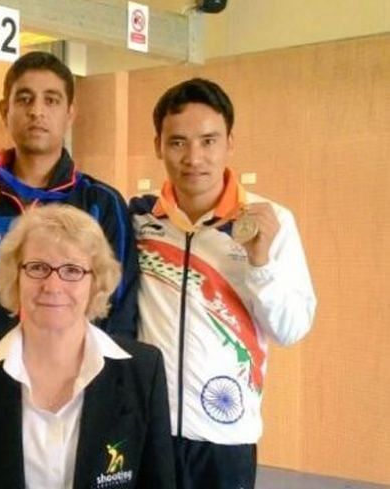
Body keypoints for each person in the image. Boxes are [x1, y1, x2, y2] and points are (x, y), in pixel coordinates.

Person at [129, 78, 317, 488]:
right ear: (158, 145)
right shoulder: (139, 219)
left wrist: (260, 261)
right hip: (150, 431)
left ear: (230, 142)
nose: (194, 157)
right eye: (178, 142)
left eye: (208, 141)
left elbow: (292, 328)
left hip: (226, 437)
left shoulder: (272, 221)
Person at [0, 204, 175, 489]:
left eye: (72, 270)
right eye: (38, 267)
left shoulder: (142, 370)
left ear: (96, 281)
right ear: (15, 276)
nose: (53, 286)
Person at [0, 51, 138, 350]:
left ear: (70, 113)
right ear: (4, 110)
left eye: (51, 100)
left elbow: (120, 309)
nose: (37, 111)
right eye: (24, 99)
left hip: (74, 386)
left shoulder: (102, 203)